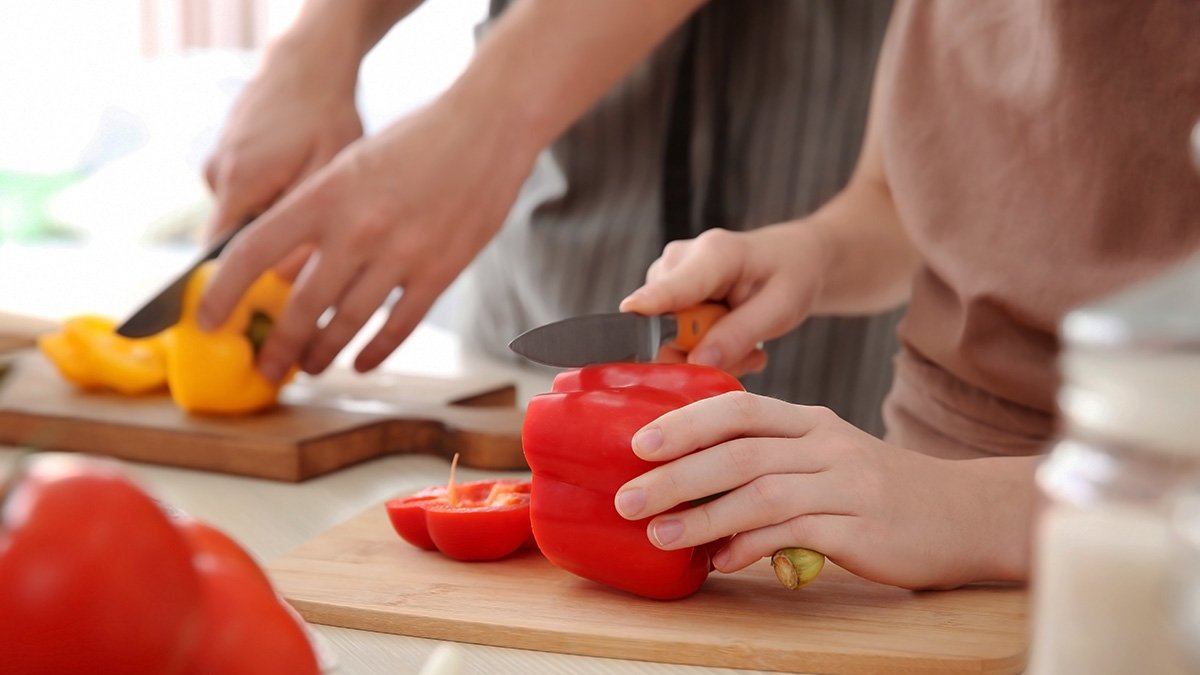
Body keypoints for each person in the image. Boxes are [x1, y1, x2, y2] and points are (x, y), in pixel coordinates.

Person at [612, 0, 1200, 590]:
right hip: (910, 503)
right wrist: (814, 251)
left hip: (1145, 560)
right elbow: (898, 197)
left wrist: (976, 511)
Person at [196, 0, 902, 436]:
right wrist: (319, 41)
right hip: (533, 276)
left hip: (811, 312)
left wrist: (483, 122)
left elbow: (901, 210)